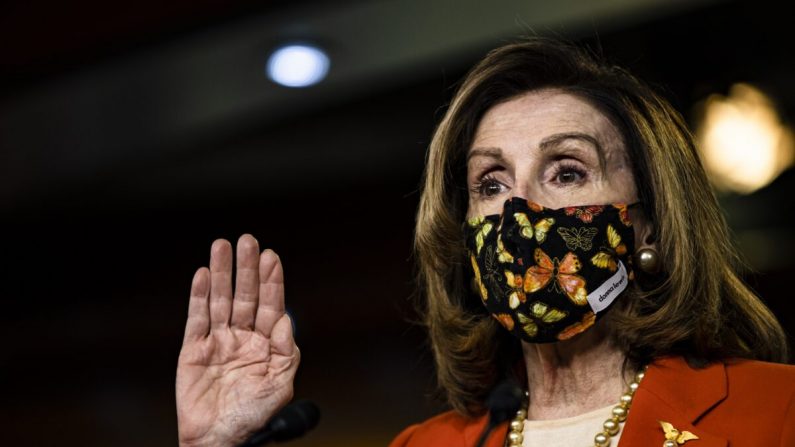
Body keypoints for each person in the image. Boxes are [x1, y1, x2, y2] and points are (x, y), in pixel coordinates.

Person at [175, 37, 795, 447]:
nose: (520, 211)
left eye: (567, 171)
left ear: (647, 222)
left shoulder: (776, 411)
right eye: (491, 183)